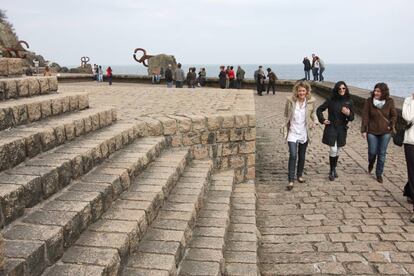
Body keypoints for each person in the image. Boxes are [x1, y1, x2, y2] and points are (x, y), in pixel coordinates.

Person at [283, 81, 318, 190]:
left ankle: (299, 175)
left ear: (307, 91)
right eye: (299, 91)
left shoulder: (311, 102)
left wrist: (315, 121)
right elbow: (286, 114)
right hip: (293, 132)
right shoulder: (290, 101)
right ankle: (290, 180)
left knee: (302, 155)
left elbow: (313, 113)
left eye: (303, 90)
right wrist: (285, 125)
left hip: (304, 132)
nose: (301, 92)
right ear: (296, 91)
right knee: (293, 155)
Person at [317, 81, 354, 181]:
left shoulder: (349, 101)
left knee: (338, 149)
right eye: (339, 89)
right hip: (331, 127)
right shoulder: (331, 100)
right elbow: (319, 109)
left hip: (342, 128)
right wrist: (323, 120)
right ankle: (332, 170)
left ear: (346, 89)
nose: (342, 90)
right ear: (336, 90)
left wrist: (348, 113)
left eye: (343, 88)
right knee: (333, 149)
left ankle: (333, 168)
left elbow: (352, 118)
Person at [361, 83, 397, 183]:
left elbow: (394, 115)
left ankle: (379, 173)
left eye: (378, 91)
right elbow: (365, 116)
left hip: (386, 131)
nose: (376, 93)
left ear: (383, 92)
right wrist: (363, 130)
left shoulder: (390, 101)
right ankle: (371, 163)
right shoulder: (369, 101)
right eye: (375, 90)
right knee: (372, 152)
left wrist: (391, 124)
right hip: (372, 131)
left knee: (382, 153)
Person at [402, 92, 414, 222]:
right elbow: (408, 117)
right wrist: (412, 100)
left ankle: (409, 190)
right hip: (411, 141)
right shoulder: (408, 100)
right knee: (412, 172)